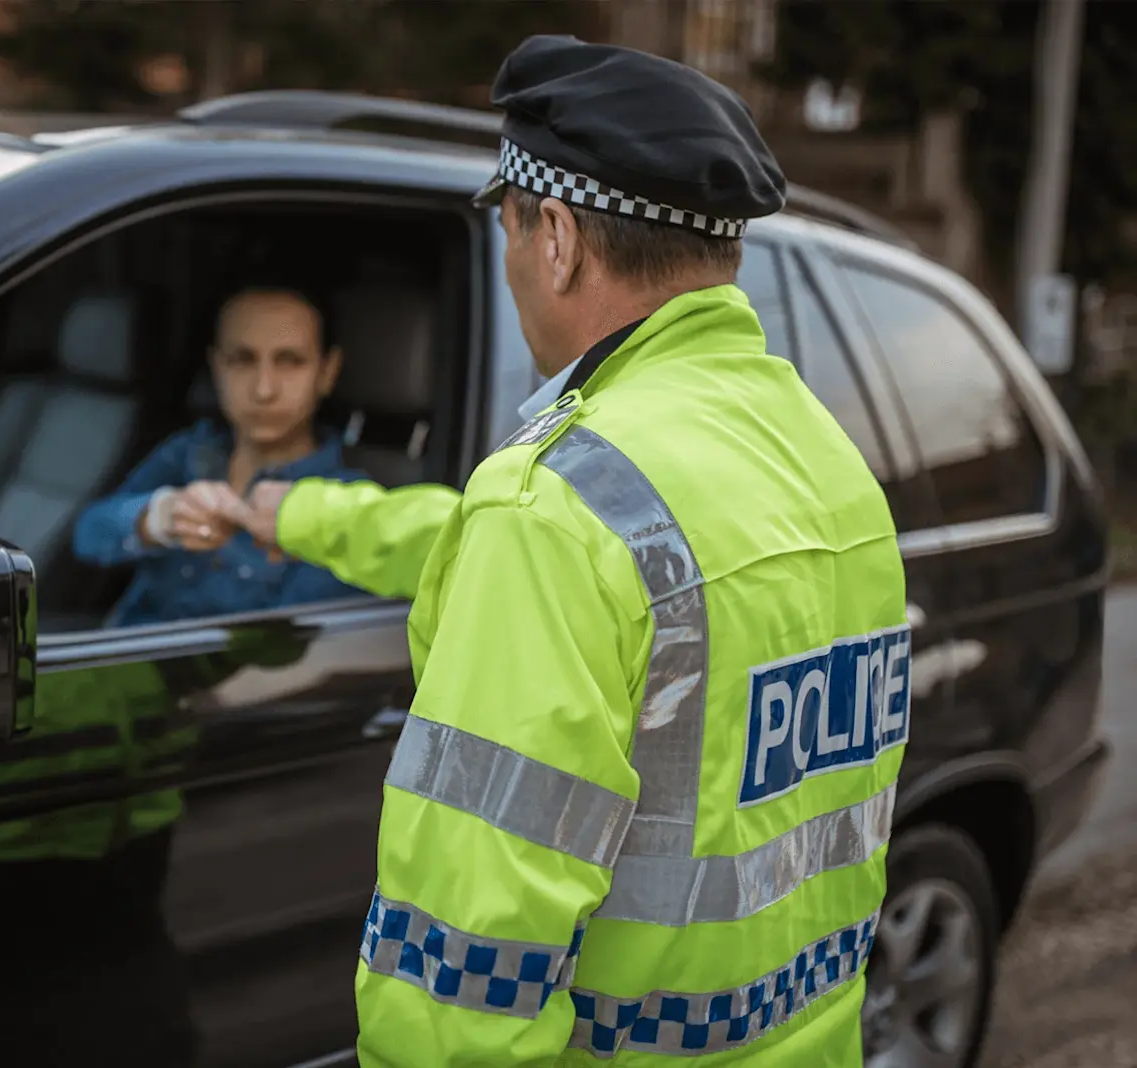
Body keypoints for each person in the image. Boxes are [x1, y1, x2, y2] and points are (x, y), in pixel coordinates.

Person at [233, 37, 910, 1067]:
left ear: (554, 237)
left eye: (507, 229)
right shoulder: (827, 465)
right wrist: (296, 514)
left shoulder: (555, 506)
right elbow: (607, 569)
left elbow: (458, 987)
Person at [71, 282, 369, 626]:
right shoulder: (191, 451)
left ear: (327, 372)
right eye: (242, 360)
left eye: (290, 362)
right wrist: (158, 517)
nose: (264, 389)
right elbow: (88, 535)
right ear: (216, 367)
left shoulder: (344, 502)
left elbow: (290, 651)